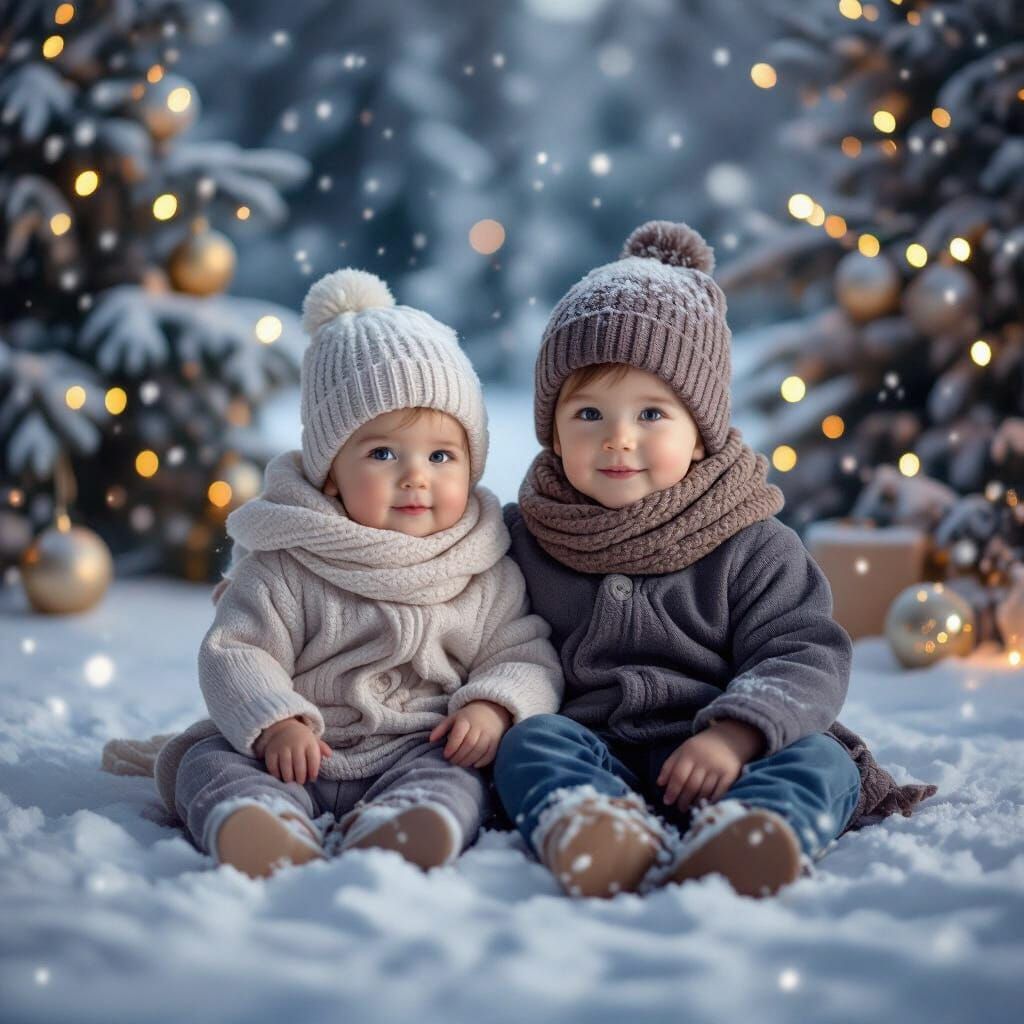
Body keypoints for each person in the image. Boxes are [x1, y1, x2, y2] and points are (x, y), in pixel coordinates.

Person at [493, 221, 936, 899]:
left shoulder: (750, 543)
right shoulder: (524, 538)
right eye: (588, 414)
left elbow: (805, 652)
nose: (617, 438)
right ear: (551, 429)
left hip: (731, 754)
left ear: (700, 433)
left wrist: (735, 735)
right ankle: (591, 824)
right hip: (596, 752)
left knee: (823, 760)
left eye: (651, 414)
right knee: (530, 745)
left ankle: (754, 831)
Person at [151, 268, 563, 879]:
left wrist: (493, 708)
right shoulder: (289, 558)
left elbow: (525, 655)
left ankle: (409, 823)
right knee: (205, 761)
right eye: (382, 453)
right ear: (330, 475)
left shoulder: (481, 565)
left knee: (463, 774)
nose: (416, 475)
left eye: (441, 455)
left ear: (472, 464)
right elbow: (236, 650)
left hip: (417, 749)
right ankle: (258, 820)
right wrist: (275, 721)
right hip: (296, 752)